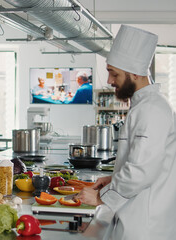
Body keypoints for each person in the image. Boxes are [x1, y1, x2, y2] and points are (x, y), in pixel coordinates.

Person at [77, 25, 176, 239]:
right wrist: (113, 179)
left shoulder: (152, 109)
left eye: (114, 73)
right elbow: (145, 161)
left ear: (134, 73)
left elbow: (141, 171)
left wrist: (100, 197)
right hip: (136, 217)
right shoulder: (144, 106)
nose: (110, 81)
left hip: (145, 225)